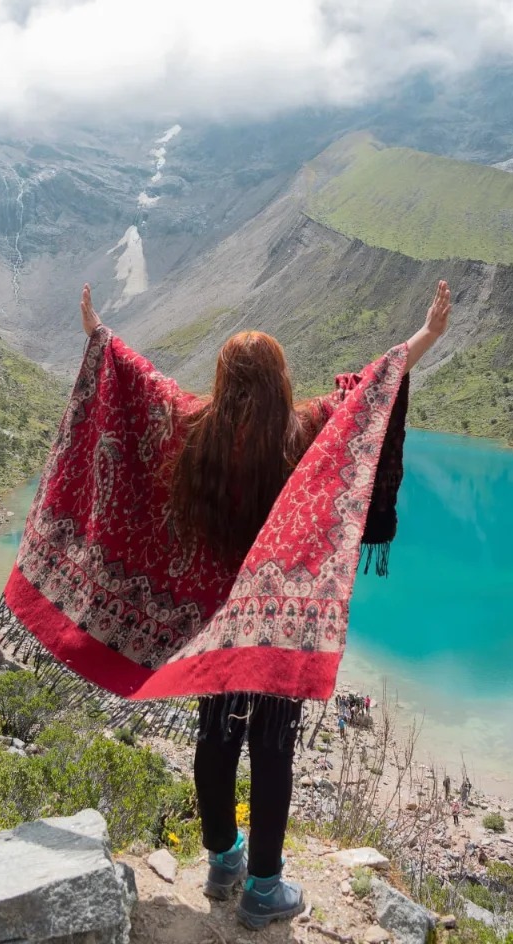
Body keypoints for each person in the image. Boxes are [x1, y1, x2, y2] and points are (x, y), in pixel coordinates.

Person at [104, 281, 454, 928]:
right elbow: (374, 389)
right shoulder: (305, 431)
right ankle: (263, 888)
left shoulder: (194, 432)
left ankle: (220, 862)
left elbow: (144, 392)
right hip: (278, 627)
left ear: (222, 378)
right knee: (271, 746)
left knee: (214, 734)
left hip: (217, 624)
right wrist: (427, 335)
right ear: (278, 380)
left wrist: (102, 339)